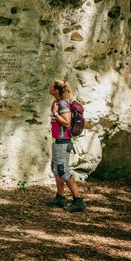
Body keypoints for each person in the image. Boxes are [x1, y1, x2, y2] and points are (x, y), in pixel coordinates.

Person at [45, 79, 86, 212]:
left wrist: (56, 114)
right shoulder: (56, 102)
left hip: (64, 142)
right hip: (57, 141)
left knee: (63, 170)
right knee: (56, 169)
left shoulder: (63, 104)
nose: (49, 87)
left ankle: (78, 200)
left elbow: (67, 123)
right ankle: (60, 197)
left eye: (51, 86)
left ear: (56, 90)